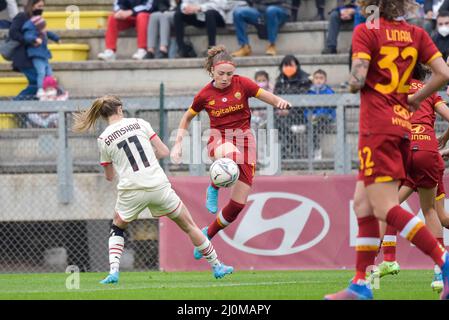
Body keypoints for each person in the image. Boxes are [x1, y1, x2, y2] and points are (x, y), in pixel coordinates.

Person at [325, 0, 449, 300]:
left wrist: (355, 80)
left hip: (377, 127)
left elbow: (357, 80)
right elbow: (443, 74)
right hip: (401, 126)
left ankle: (444, 262)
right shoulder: (416, 33)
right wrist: (417, 98)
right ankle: (360, 283)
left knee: (383, 208)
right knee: (362, 204)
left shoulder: (366, 30)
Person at [72, 95, 234, 284]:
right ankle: (217, 266)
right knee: (189, 226)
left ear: (102, 114)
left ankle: (114, 272)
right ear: (120, 109)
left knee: (118, 226)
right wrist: (147, 161)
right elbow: (164, 151)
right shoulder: (140, 123)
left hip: (131, 189)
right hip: (157, 184)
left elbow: (109, 176)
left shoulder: (103, 138)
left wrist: (123, 167)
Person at [171, 45, 291, 260]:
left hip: (246, 141)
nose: (225, 78)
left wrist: (279, 102)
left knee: (237, 206)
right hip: (219, 140)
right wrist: (178, 143)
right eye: (221, 74)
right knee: (233, 158)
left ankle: (208, 235)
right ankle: (213, 187)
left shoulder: (242, 84)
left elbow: (267, 96)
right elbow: (187, 117)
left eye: (229, 74)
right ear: (212, 72)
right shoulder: (204, 94)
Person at [371, 64, 449, 294]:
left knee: (389, 208)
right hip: (427, 152)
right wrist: (442, 139)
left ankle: (389, 258)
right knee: (433, 213)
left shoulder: (393, 90)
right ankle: (438, 272)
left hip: (403, 153)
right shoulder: (428, 92)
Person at [9, 0, 44, 101]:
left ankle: (23, 107)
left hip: (32, 57)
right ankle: (15, 103)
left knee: (37, 83)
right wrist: (29, 40)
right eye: (39, 6)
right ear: (32, 6)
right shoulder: (22, 17)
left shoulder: (36, 19)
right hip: (22, 57)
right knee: (37, 82)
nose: (41, 9)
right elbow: (13, 33)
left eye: (42, 6)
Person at [22, 12, 60, 98]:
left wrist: (56, 38)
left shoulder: (42, 31)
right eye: (43, 27)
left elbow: (49, 34)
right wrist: (35, 39)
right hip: (37, 55)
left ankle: (50, 88)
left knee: (49, 73)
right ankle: (40, 89)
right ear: (38, 27)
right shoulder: (33, 31)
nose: (45, 29)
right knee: (41, 72)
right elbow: (27, 37)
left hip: (44, 55)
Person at [305, 69, 335, 160]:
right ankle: (316, 149)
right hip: (313, 119)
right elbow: (306, 108)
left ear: (325, 81)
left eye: (321, 78)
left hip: (326, 118)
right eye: (316, 78)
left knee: (316, 124)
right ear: (313, 80)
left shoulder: (329, 92)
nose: (318, 80)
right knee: (313, 127)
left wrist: (316, 115)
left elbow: (327, 108)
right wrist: (308, 116)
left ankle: (316, 150)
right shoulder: (309, 92)